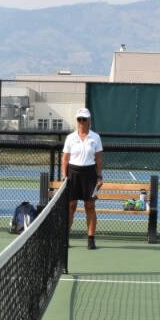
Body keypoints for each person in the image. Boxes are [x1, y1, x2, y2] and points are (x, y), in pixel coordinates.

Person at [60, 107, 103, 249]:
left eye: (84, 119)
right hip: (73, 173)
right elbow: (65, 159)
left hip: (89, 174)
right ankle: (65, 238)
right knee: (71, 206)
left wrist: (99, 176)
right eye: (79, 119)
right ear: (77, 121)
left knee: (89, 206)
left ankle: (91, 239)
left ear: (89, 120)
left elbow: (98, 160)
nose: (82, 122)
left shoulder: (95, 137)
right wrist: (64, 176)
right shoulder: (70, 138)